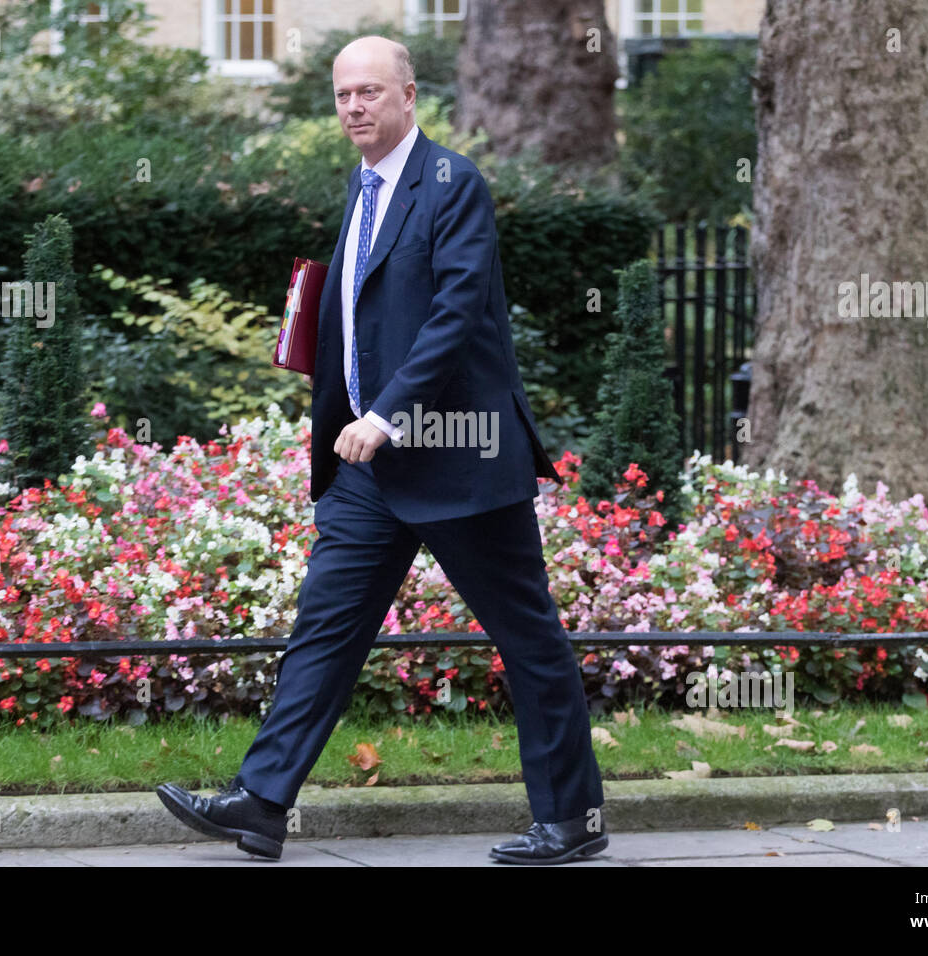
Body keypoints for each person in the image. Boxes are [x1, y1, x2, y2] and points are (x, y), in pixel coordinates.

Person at [157, 35, 606, 865]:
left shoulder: (451, 183)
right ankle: (261, 804)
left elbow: (457, 314)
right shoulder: (361, 189)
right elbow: (368, 316)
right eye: (342, 96)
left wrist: (389, 414)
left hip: (457, 457)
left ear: (408, 96)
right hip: (370, 469)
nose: (354, 107)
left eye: (369, 92)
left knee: (527, 637)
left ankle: (572, 817)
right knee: (322, 632)